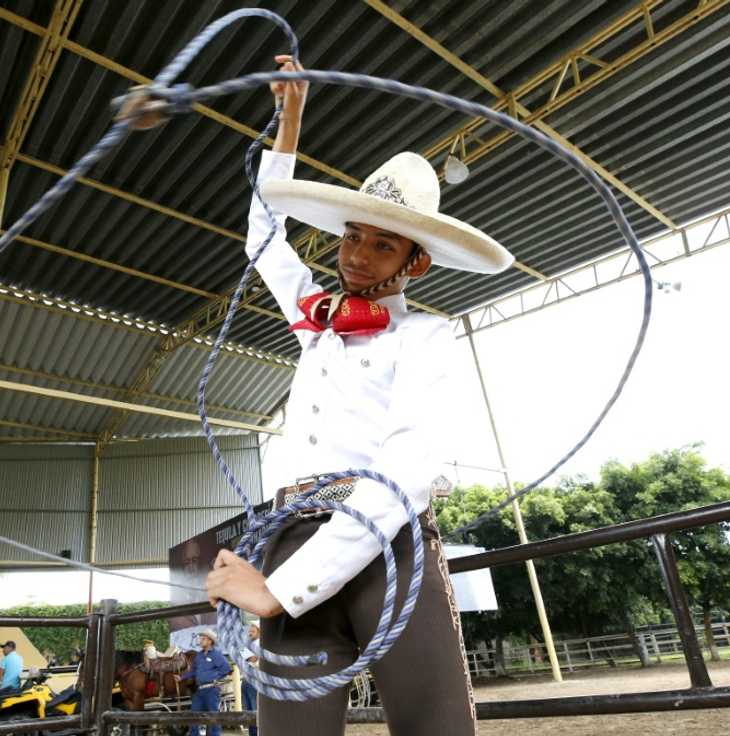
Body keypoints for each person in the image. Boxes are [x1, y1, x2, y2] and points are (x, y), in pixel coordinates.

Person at [204, 55, 513, 736]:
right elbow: (264, 232)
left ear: (416, 262)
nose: (356, 255)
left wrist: (280, 589)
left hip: (390, 548)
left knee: (433, 724)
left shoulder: (427, 337)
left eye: (381, 245)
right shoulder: (314, 319)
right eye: (350, 236)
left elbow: (406, 469)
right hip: (290, 531)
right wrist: (289, 125)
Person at [178, 630, 231, 736]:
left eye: (203, 638)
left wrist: (214, 677)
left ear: (210, 641)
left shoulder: (216, 655)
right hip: (199, 690)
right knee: (194, 716)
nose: (200, 640)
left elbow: (226, 669)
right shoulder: (199, 656)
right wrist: (181, 677)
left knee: (213, 716)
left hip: (212, 690)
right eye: (200, 638)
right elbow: (193, 671)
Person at [240, 622, 259, 736]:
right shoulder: (249, 644)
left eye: (252, 630)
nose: (250, 632)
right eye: (249, 631)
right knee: (248, 711)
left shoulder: (261, 644)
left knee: (255, 711)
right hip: (246, 680)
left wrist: (245, 656)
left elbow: (252, 659)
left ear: (259, 630)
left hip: (255, 680)